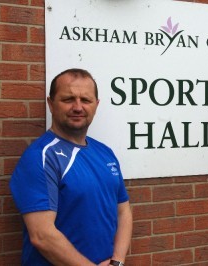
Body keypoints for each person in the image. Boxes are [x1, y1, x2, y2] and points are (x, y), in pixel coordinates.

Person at [10, 68, 133, 266]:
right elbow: (42, 236)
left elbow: (123, 211)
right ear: (51, 104)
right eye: (68, 99)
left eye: (85, 100)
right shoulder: (41, 157)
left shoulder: (105, 153)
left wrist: (116, 262)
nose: (78, 107)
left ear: (96, 105)